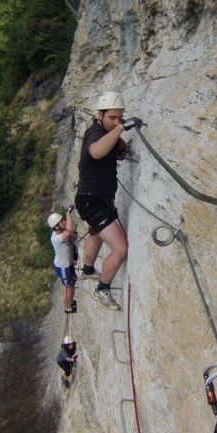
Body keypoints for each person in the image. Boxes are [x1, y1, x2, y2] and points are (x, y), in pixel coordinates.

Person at [74, 91, 142, 311]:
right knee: (120, 248)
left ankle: (87, 270)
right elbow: (96, 151)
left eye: (120, 118)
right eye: (112, 118)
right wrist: (121, 129)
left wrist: (119, 139)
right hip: (93, 202)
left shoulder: (106, 131)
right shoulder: (94, 134)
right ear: (100, 115)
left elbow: (117, 148)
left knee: (97, 233)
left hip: (94, 199)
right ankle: (102, 289)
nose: (116, 122)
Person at [48, 207, 78, 313]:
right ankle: (68, 308)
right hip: (63, 267)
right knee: (68, 287)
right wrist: (68, 213)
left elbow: (69, 233)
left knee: (72, 283)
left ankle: (70, 301)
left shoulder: (61, 233)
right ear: (56, 227)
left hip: (67, 264)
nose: (64, 222)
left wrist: (74, 235)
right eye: (62, 221)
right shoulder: (55, 238)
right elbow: (69, 231)